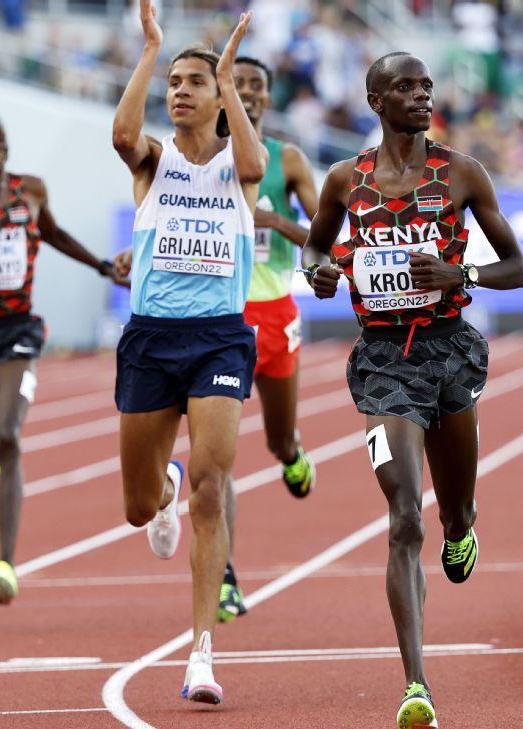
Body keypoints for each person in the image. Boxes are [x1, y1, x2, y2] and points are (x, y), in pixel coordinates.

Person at [303, 52, 523, 728]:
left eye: (426, 84)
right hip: (382, 366)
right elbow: (316, 251)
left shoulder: (462, 172)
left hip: (450, 355)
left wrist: (461, 275)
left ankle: (463, 526)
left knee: (452, 512)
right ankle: (417, 685)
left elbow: (518, 267)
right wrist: (317, 273)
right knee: (404, 515)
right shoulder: (346, 180)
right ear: (376, 100)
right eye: (406, 86)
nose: (422, 94)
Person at [109, 0, 265, 705]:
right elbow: (121, 132)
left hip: (218, 338)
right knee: (141, 507)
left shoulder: (239, 165)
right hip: (151, 338)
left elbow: (255, 156)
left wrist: (230, 79)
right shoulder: (153, 160)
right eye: (173, 82)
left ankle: (201, 652)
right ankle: (160, 488)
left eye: (191, 82)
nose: (178, 91)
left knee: (214, 484)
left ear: (214, 95)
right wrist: (150, 49)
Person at [0, 110, 127, 605]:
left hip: (15, 329)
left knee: (9, 439)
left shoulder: (32, 189)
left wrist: (103, 266)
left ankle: (6, 562)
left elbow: (55, 234)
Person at [214, 56, 321, 623]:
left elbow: (328, 236)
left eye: (256, 86)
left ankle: (292, 453)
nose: (247, 93)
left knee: (277, 439)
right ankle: (225, 576)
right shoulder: (199, 154)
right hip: (219, 317)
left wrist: (278, 223)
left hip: (277, 312)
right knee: (218, 455)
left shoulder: (288, 161)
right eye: (237, 83)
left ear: (267, 99)